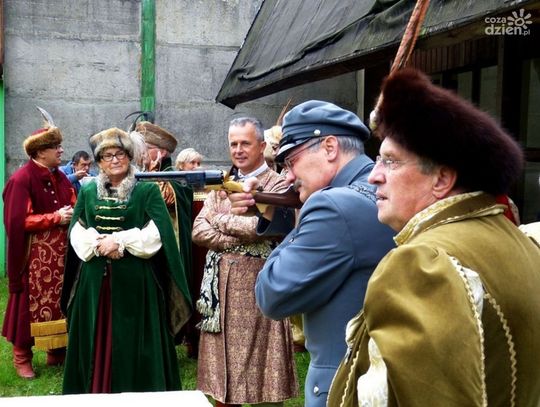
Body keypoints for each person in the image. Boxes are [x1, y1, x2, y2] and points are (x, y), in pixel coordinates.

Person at [327, 68, 540, 406]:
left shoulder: (423, 263)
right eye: (378, 159)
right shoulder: (519, 242)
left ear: (441, 179)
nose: (373, 176)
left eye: (391, 162)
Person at [229, 101, 395, 407]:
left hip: (339, 386)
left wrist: (304, 212)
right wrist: (268, 207)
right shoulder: (377, 188)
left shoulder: (331, 206)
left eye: (292, 161)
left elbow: (272, 294)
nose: (288, 176)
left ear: (330, 148)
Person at [60, 127, 192, 393]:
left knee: (133, 342)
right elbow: (77, 230)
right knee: (95, 338)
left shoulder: (147, 192)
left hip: (136, 285)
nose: (114, 160)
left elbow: (157, 234)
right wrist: (99, 245)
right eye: (107, 156)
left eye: (120, 154)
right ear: (99, 162)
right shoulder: (87, 192)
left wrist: (120, 241)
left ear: (129, 157)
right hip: (94, 284)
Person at [192, 117, 298, 407]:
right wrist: (235, 233)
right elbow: (198, 230)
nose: (238, 150)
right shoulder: (222, 184)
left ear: (262, 146)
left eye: (245, 143)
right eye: (233, 144)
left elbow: (262, 228)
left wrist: (219, 220)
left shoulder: (278, 185)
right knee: (221, 382)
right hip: (219, 290)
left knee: (263, 378)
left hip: (258, 287)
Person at [2, 115, 76, 379]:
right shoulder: (21, 180)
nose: (61, 150)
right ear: (40, 152)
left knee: (60, 300)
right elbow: (16, 221)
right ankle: (22, 356)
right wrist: (54, 218)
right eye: (55, 146)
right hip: (32, 259)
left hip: (60, 256)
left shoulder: (60, 177)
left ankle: (56, 350)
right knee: (26, 307)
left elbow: (72, 201)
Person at [135, 120, 197, 355]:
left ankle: (168, 340)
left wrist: (153, 177)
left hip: (168, 249)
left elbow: (166, 198)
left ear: (160, 152)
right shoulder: (139, 173)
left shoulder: (174, 176)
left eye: (145, 148)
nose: (139, 153)